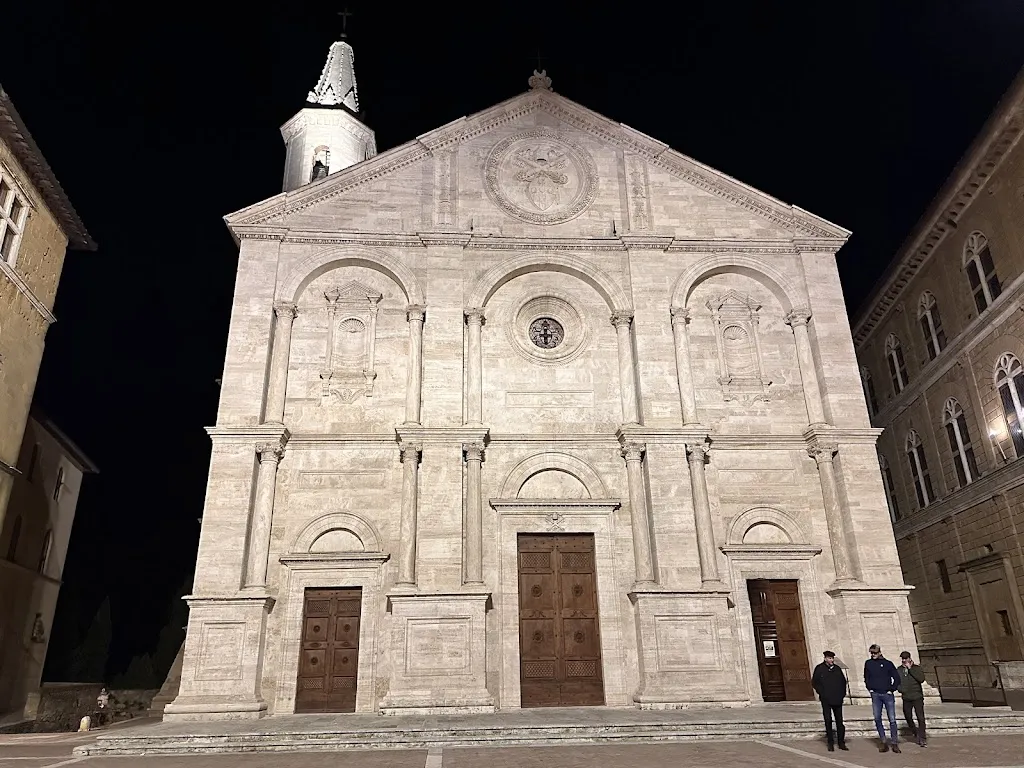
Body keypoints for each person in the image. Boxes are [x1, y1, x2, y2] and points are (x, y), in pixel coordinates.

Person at [864, 643, 901, 753]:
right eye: (871, 653)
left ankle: (894, 743)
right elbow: (866, 677)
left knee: (892, 719)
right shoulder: (868, 663)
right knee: (877, 718)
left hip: (887, 694)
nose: (873, 655)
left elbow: (897, 678)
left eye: (875, 653)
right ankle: (883, 741)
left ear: (879, 652)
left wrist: (892, 689)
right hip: (875, 694)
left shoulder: (888, 663)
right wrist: (869, 688)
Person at [811, 650, 848, 752]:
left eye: (832, 658)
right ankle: (830, 742)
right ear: (825, 658)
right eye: (829, 658)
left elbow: (843, 682)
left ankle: (841, 742)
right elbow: (815, 682)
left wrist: (842, 695)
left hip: (837, 699)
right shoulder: (820, 669)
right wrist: (822, 693)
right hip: (826, 699)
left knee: (839, 721)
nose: (831, 660)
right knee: (828, 720)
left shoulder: (837, 669)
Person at [898, 651, 927, 746]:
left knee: (920, 717)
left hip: (917, 696)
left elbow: (921, 679)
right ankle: (915, 732)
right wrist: (900, 689)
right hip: (906, 697)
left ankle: (922, 737)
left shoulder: (916, 668)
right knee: (908, 716)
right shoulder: (899, 669)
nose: (904, 660)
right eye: (902, 659)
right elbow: (897, 680)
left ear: (909, 659)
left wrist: (910, 669)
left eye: (905, 658)